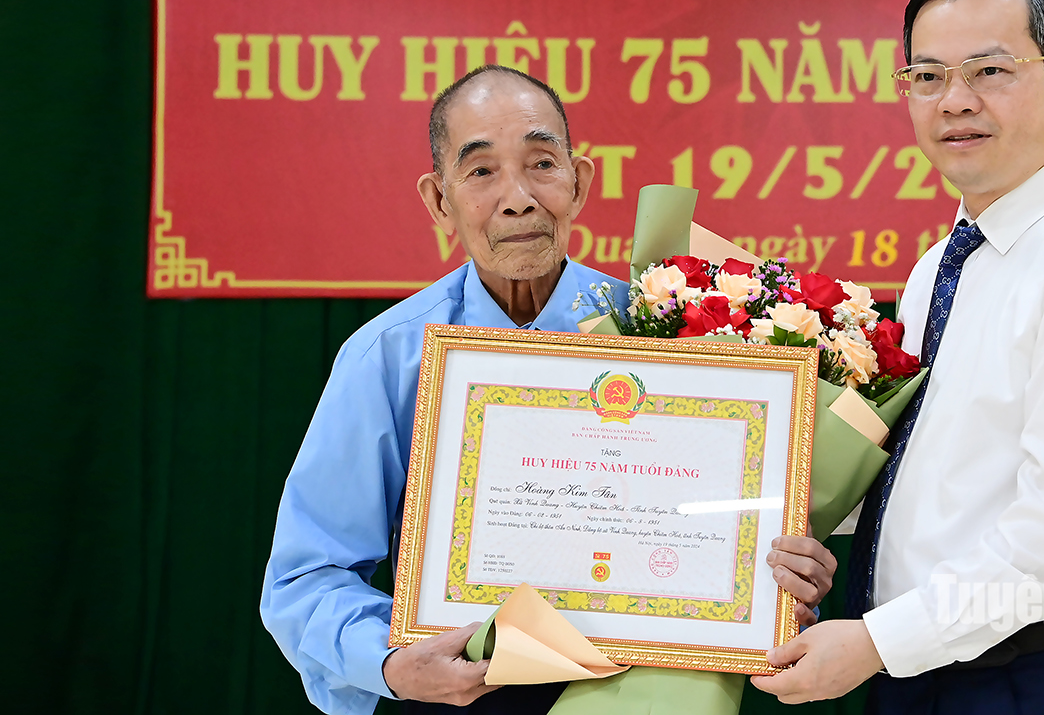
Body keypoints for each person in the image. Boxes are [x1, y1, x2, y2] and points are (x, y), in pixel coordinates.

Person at [262, 65, 837, 715]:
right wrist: (393, 665)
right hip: (458, 695)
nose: (517, 198)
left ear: (579, 181)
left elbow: (721, 541)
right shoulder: (390, 356)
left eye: (541, 163)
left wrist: (780, 579)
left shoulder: (664, 331)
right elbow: (307, 578)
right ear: (439, 200)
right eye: (481, 172)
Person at [751, 0, 1044, 713]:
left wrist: (878, 642)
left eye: (989, 71)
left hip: (1036, 681)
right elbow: (941, 480)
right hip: (919, 676)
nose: (955, 102)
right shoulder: (938, 267)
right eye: (927, 77)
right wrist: (797, 530)